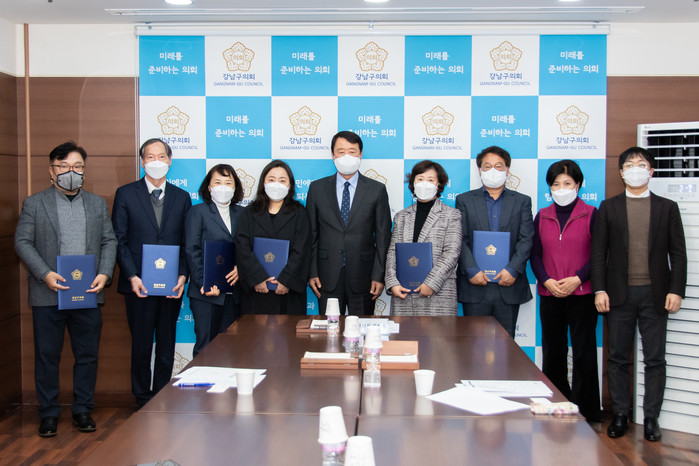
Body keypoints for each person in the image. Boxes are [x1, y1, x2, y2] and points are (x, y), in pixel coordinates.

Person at [15, 141, 117, 437]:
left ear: (84, 170)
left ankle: (82, 409)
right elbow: (22, 242)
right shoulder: (34, 203)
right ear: (51, 171)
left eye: (77, 166)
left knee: (87, 355)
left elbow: (109, 240)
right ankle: (48, 412)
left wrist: (104, 273)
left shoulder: (97, 204)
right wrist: (45, 274)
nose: (71, 172)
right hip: (48, 293)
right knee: (47, 355)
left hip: (88, 292)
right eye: (64, 166)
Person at [591, 147, 687, 442]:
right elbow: (598, 252)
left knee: (655, 359)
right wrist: (599, 289)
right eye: (629, 165)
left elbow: (678, 254)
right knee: (618, 358)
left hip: (655, 295)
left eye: (641, 164)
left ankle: (651, 418)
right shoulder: (609, 207)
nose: (635, 168)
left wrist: (676, 290)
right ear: (621, 173)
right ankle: (620, 415)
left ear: (651, 171)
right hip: (618, 295)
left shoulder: (667, 208)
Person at [112, 138, 192, 407]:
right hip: (138, 284)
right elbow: (119, 240)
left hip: (171, 285)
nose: (156, 161)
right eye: (150, 156)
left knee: (167, 345)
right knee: (141, 345)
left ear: (169, 161)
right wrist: (132, 275)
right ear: (142, 161)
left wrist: (182, 276)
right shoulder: (125, 194)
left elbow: (187, 242)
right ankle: (141, 399)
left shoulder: (182, 197)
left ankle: (161, 396)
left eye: (161, 156)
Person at [530, 160, 600, 422]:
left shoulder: (591, 214)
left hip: (582, 294)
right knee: (553, 352)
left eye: (567, 183)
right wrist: (546, 280)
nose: (561, 188)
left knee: (584, 352)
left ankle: (587, 412)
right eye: (556, 184)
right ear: (549, 188)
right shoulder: (542, 215)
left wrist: (578, 279)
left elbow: (599, 253)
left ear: (578, 185)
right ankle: (556, 404)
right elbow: (535, 254)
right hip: (550, 294)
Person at [306, 131, 392, 315]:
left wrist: (379, 275)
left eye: (352, 151)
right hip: (326, 276)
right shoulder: (317, 189)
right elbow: (311, 234)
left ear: (360, 154)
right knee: (329, 329)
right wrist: (312, 272)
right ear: (332, 155)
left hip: (364, 276)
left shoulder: (376, 190)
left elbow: (383, 236)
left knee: (362, 328)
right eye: (341, 151)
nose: (346, 156)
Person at [455, 145, 534, 338]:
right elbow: (460, 238)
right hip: (474, 284)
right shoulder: (464, 200)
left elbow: (526, 239)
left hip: (508, 284)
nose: (493, 171)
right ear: (479, 170)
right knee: (473, 345)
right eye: (487, 166)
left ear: (507, 170)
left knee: (505, 345)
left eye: (499, 166)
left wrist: (512, 270)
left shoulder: (522, 201)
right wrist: (472, 270)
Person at [384, 160, 462, 315]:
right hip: (403, 293)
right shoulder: (401, 216)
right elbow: (393, 252)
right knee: (404, 332)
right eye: (420, 179)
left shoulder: (452, 215)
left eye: (430, 180)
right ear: (413, 183)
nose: (424, 184)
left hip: (438, 294)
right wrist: (392, 283)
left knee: (438, 332)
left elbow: (451, 253)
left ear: (439, 185)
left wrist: (431, 283)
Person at [236, 160, 311, 315]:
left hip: (288, 293)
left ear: (290, 185)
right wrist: (257, 277)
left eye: (282, 180)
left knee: (288, 330)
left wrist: (286, 280)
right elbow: (242, 248)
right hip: (257, 291)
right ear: (263, 183)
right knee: (254, 330)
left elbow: (302, 250)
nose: (276, 184)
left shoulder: (300, 213)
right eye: (271, 179)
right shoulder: (249, 212)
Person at [185, 164, 244, 357]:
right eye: (217, 182)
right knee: (206, 348)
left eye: (228, 183)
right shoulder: (198, 212)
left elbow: (248, 248)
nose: (223, 187)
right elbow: (192, 250)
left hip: (234, 293)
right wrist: (204, 282)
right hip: (205, 293)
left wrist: (241, 268)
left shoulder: (243, 214)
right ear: (209, 187)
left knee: (232, 349)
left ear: (235, 187)